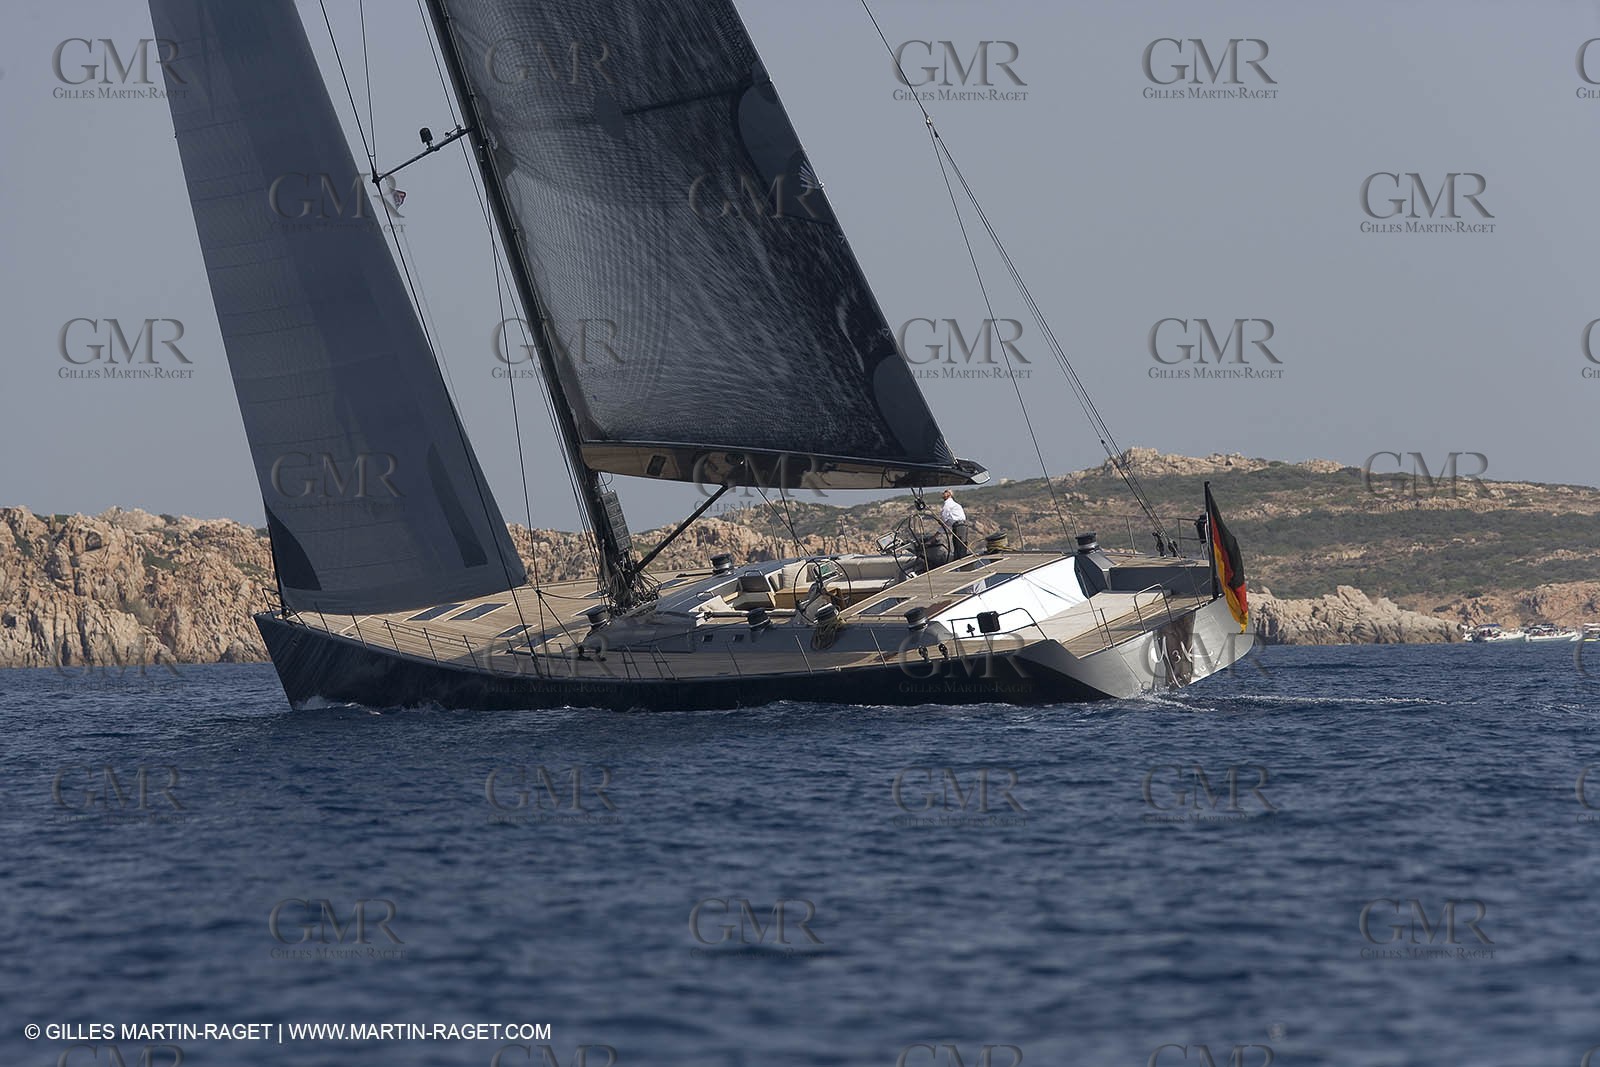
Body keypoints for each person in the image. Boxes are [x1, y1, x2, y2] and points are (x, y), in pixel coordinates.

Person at [940, 489, 970, 559]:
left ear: (949, 495)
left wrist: (941, 522)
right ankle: (960, 557)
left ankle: (960, 559)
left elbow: (944, 518)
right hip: (962, 526)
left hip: (958, 526)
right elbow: (946, 521)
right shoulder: (956, 505)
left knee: (959, 545)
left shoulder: (948, 504)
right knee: (960, 544)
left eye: (945, 492)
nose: (943, 494)